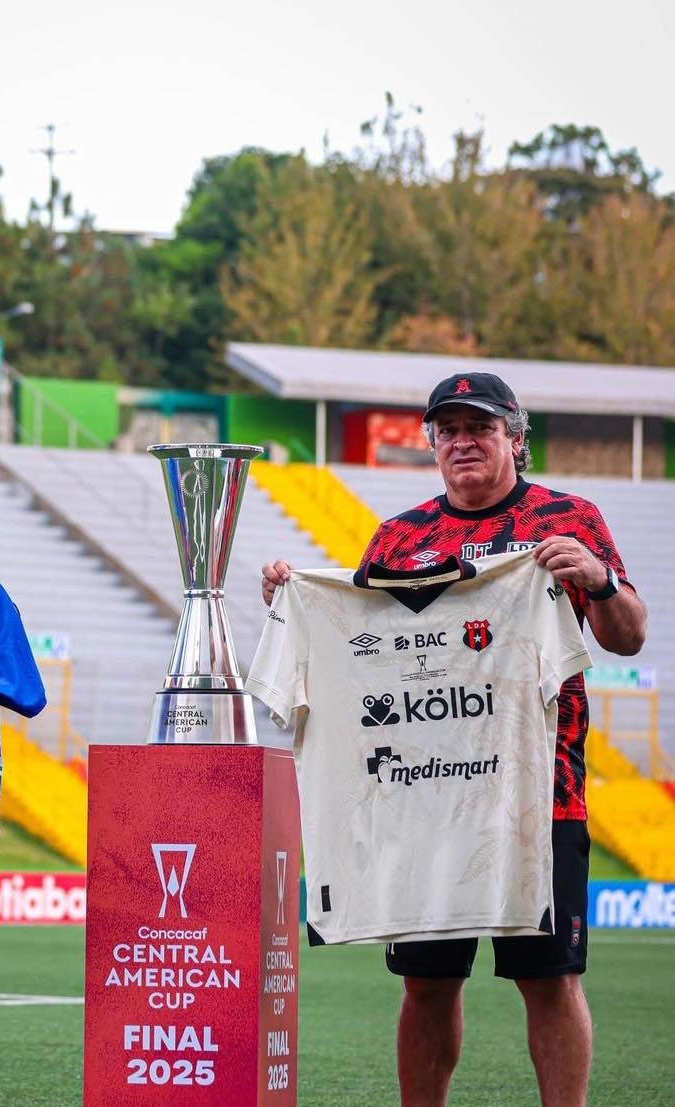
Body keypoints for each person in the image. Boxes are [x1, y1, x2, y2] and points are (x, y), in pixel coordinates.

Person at [260, 371, 647, 1107]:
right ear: (434, 444)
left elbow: (628, 636)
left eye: (480, 428)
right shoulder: (399, 537)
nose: (463, 442)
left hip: (540, 793)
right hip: (424, 800)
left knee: (549, 978)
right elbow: (359, 639)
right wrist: (293, 597)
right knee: (427, 982)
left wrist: (598, 579)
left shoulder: (569, 518)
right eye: (449, 431)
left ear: (515, 438)